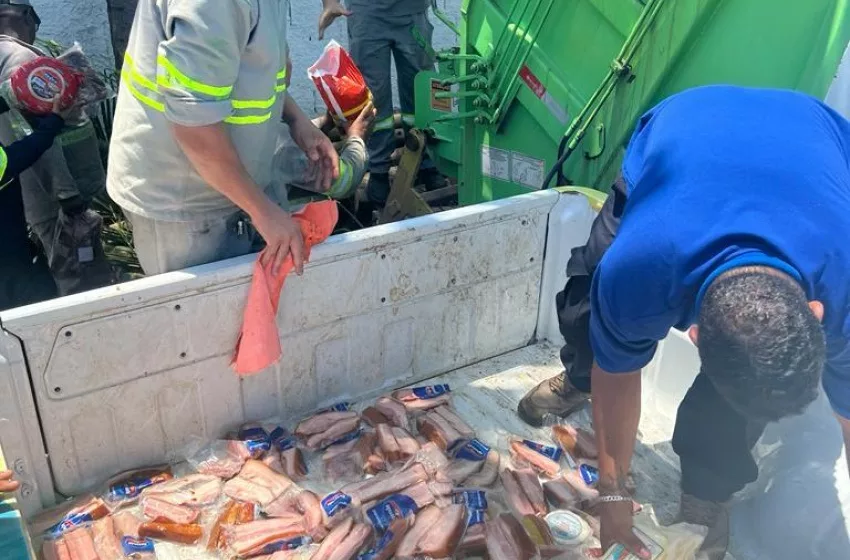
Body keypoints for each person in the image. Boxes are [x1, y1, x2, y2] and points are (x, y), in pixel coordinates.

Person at [516, 85, 850, 558]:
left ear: (817, 312)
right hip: (685, 125)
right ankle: (577, 376)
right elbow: (620, 374)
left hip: (817, 137)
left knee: (735, 398)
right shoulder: (639, 267)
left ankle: (709, 491)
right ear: (692, 335)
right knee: (590, 306)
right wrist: (613, 491)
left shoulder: (847, 285)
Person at [108, 0, 339, 276]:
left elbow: (250, 66)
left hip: (237, 186)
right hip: (186, 203)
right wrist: (262, 210)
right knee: (205, 315)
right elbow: (193, 122)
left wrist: (297, 120)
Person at [0, 0, 111, 296]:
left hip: (29, 192)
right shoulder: (20, 60)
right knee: (80, 272)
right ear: (25, 16)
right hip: (61, 195)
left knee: (57, 263)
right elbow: (38, 137)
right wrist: (68, 195)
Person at [318, 0, 444, 209]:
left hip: (413, 12)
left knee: (420, 89)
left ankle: (426, 161)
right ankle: (378, 171)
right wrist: (330, 3)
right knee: (373, 96)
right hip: (367, 13)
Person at [1, 96, 72, 310]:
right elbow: (26, 151)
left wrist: (13, 96)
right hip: (11, 255)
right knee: (35, 300)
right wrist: (54, 121)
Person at [272, 102, 375, 204]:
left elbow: (287, 130)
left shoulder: (263, 114)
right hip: (290, 216)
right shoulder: (281, 151)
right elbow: (343, 183)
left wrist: (324, 123)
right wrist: (357, 136)